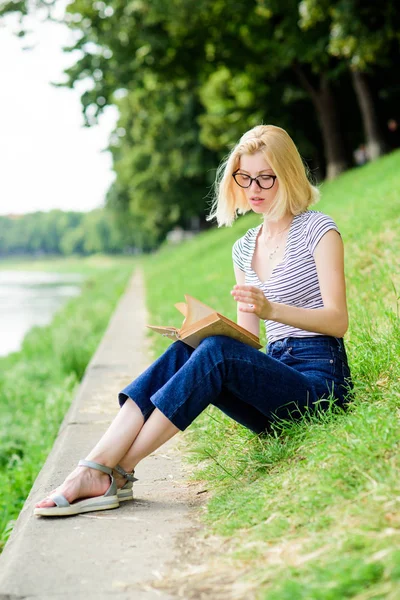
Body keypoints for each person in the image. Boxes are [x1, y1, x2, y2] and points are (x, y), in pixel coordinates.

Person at [34, 124, 353, 516]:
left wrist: (272, 310)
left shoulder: (318, 230)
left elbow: (338, 321)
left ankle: (111, 472)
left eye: (266, 178)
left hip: (320, 388)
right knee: (194, 347)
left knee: (217, 351)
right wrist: (202, 333)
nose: (254, 188)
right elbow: (248, 341)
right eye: (245, 177)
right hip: (274, 391)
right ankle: (99, 465)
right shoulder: (243, 248)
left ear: (287, 174)